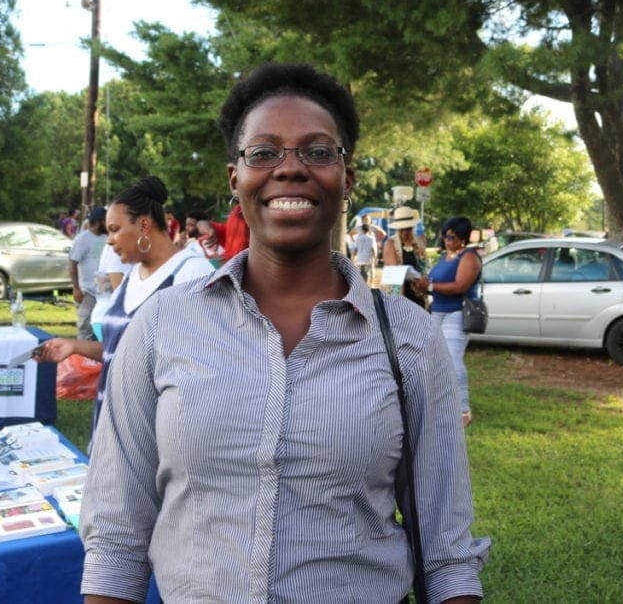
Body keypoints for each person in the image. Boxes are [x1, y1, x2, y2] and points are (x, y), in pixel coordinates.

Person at [80, 62, 488, 603]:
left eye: (318, 152)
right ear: (235, 178)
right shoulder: (161, 327)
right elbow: (116, 537)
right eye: (264, 152)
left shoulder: (410, 340)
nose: (290, 169)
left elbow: (445, 553)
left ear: (347, 179)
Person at [35, 176, 214, 435]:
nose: (109, 240)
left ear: (144, 225)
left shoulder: (192, 273)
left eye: (115, 229)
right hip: (113, 421)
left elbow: (208, 361)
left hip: (159, 429)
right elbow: (119, 353)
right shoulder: (131, 276)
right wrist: (74, 346)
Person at [419, 216, 483, 425]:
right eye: (445, 236)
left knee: (453, 360)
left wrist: (429, 287)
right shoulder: (444, 256)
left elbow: (459, 286)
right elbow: (434, 282)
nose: (447, 240)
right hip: (437, 311)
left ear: (463, 238)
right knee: (435, 359)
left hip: (456, 312)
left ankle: (463, 409)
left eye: (452, 236)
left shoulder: (469, 257)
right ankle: (440, 403)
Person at [69, 206, 108, 341]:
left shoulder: (106, 237)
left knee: (101, 326)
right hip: (87, 291)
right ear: (98, 222)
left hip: (104, 291)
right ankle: (82, 360)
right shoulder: (83, 238)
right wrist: (76, 288)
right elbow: (72, 262)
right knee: (85, 328)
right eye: (105, 220)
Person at [383, 205, 429, 307]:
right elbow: (393, 271)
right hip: (399, 295)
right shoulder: (391, 243)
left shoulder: (419, 242)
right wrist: (417, 277)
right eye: (401, 229)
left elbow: (425, 265)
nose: (404, 233)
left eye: (408, 229)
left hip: (418, 293)